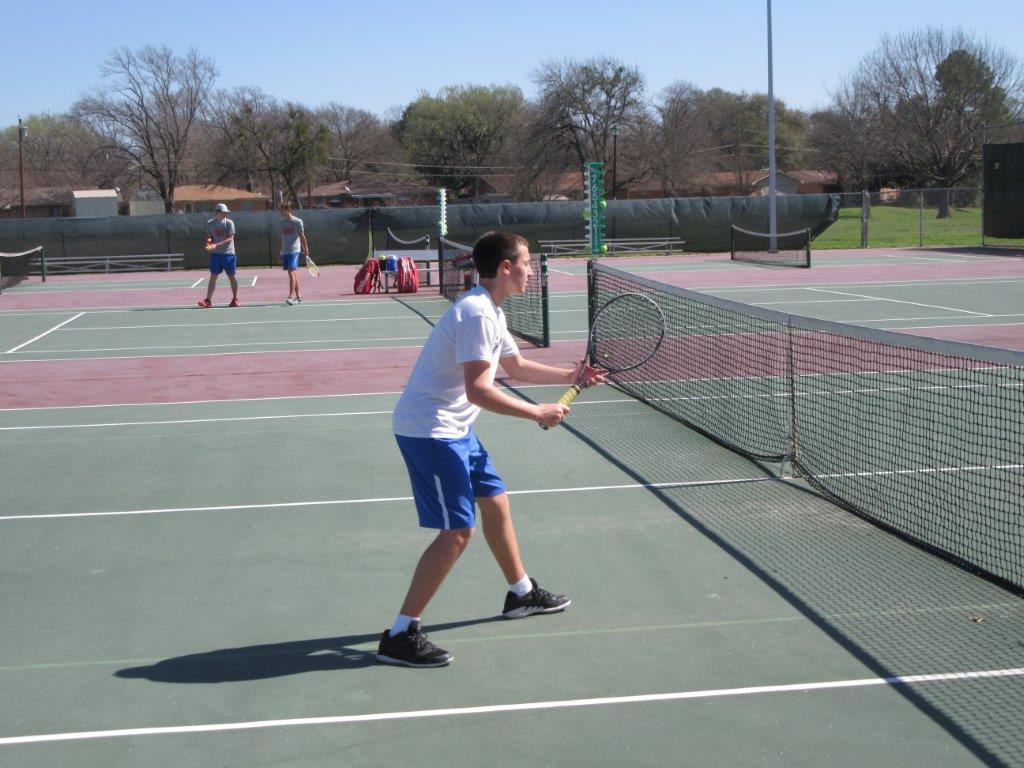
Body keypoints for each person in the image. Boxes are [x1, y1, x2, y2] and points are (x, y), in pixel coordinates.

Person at [378, 231, 605, 668]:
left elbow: (515, 366)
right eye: (526, 262)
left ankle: (521, 593)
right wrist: (536, 413)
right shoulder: (477, 313)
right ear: (506, 268)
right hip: (432, 432)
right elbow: (480, 390)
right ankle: (400, 632)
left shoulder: (491, 311)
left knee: (496, 503)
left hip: (457, 429)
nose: (531, 271)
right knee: (458, 532)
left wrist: (572, 372)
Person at [198, 203, 239, 308]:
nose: (225, 214)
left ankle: (235, 299)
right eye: (223, 212)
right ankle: (208, 301)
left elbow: (230, 238)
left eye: (226, 212)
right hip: (216, 255)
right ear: (217, 212)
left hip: (228, 254)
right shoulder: (211, 223)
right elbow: (210, 237)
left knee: (231, 277)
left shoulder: (229, 223)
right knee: (213, 276)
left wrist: (217, 244)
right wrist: (208, 243)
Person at [277, 201, 309, 305]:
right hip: (285, 251)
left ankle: (291, 296)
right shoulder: (281, 223)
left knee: (291, 272)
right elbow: (282, 238)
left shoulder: (297, 222)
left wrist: (306, 248)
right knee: (293, 273)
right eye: (280, 210)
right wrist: (281, 252)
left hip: (294, 250)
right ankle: (299, 297)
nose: (281, 212)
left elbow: (302, 236)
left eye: (282, 209)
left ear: (288, 209)